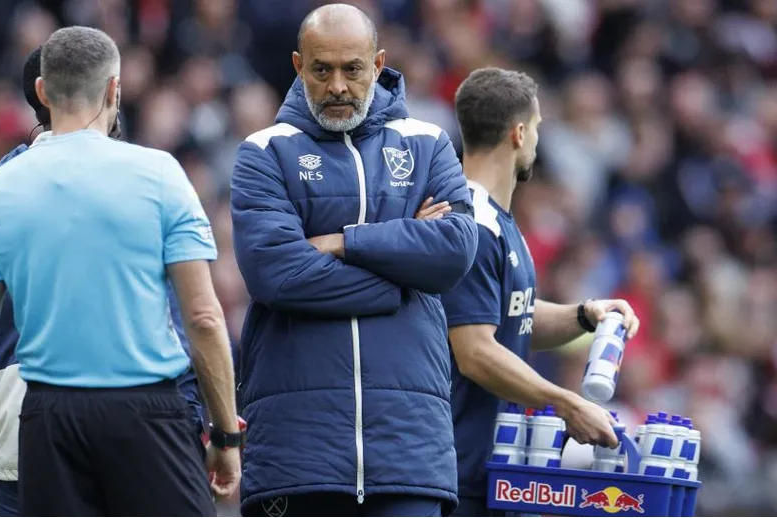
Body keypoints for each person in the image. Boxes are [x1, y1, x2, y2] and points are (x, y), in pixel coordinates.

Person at [0, 26, 239, 517]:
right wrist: (226, 434)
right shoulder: (161, 174)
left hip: (47, 420)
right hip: (149, 413)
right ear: (114, 90)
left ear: (42, 91)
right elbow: (204, 318)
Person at [231, 4, 478, 517]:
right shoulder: (264, 152)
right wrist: (400, 281)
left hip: (408, 449)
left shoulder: (428, 143)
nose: (338, 86)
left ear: (378, 63)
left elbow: (454, 250)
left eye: (353, 69)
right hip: (299, 454)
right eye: (322, 70)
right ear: (299, 66)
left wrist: (344, 243)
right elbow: (277, 274)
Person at [441, 67, 641, 517]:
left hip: (489, 471)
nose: (536, 140)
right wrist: (566, 403)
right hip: (453, 472)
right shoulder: (470, 223)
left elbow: (514, 319)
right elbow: (475, 351)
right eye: (536, 127)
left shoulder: (497, 221)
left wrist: (584, 315)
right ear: (518, 133)